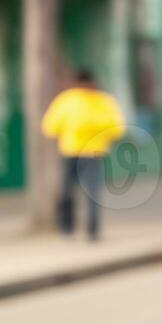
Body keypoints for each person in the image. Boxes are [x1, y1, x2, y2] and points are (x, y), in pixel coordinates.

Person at [42, 68, 125, 241]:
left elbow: (117, 128)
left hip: (91, 152)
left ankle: (91, 229)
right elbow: (50, 127)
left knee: (90, 192)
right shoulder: (69, 100)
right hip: (71, 151)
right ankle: (67, 227)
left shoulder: (101, 101)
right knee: (68, 192)